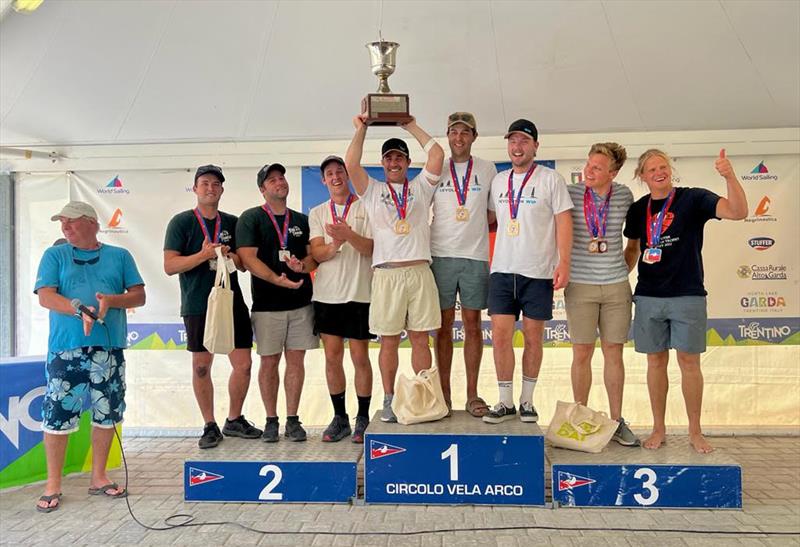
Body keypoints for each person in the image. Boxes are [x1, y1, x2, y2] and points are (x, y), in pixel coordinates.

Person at [624, 148, 747, 453]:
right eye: (651, 169)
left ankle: (695, 431)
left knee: (689, 362)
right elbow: (632, 250)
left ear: (671, 170)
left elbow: (738, 211)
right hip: (649, 296)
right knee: (655, 362)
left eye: (662, 166)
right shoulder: (639, 209)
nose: (658, 172)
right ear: (642, 176)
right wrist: (615, 280)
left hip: (688, 294)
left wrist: (729, 175)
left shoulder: (693, 199)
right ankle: (658, 429)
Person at [34, 201, 146, 512]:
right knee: (57, 415)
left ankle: (99, 477)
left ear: (92, 223)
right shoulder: (54, 255)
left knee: (107, 412)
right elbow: (45, 296)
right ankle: (53, 484)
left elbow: (139, 294)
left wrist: (111, 300)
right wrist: (77, 308)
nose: (65, 228)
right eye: (62, 223)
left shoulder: (119, 256)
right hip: (65, 349)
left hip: (108, 349)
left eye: (71, 222)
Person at [345, 115, 445, 423]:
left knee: (419, 338)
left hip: (419, 272)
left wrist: (410, 125)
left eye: (399, 157)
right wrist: (361, 127)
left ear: (407, 161)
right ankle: (389, 399)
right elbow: (351, 164)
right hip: (387, 274)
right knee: (388, 340)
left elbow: (437, 154)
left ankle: (423, 396)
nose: (394, 162)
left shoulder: (421, 188)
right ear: (383, 163)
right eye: (389, 157)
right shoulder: (373, 191)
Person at [163, 165, 262, 449]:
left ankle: (234, 419)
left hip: (231, 302)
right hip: (197, 303)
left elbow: (244, 264)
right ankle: (209, 424)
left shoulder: (233, 222)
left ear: (221, 190)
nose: (210, 188)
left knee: (243, 365)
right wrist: (203, 254)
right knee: (201, 367)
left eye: (215, 183)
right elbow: (170, 266)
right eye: (204, 183)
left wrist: (231, 255)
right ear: (195, 189)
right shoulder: (181, 222)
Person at [484, 119, 573, 424]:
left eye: (524, 141)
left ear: (536, 146)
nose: (517, 147)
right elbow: (491, 220)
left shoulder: (551, 179)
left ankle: (527, 401)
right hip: (502, 271)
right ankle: (505, 400)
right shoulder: (498, 180)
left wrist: (564, 262)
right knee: (500, 337)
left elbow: (563, 222)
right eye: (512, 141)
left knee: (534, 338)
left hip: (538, 272)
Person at [237, 163, 318, 442]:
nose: (279, 182)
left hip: (300, 304)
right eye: (272, 180)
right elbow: (247, 258)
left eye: (281, 177)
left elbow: (312, 258)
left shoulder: (301, 220)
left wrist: (301, 266)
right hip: (267, 306)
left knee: (296, 362)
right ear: (263, 189)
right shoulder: (251, 218)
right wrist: (276, 279)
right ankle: (271, 419)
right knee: (269, 363)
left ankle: (292, 420)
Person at [565, 144, 638, 446]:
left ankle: (617, 421)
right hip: (579, 285)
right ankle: (580, 416)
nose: (589, 171)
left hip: (616, 286)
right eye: (588, 164)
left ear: (613, 172)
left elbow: (633, 243)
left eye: (597, 167)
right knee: (581, 353)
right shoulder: (570, 194)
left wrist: (619, 271)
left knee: (614, 353)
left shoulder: (624, 196)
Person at [430, 112, 497, 417]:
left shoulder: (487, 168)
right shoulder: (436, 168)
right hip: (440, 256)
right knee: (442, 328)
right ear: (447, 135)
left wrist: (472, 230)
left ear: (474, 136)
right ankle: (443, 395)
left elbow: (494, 215)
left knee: (473, 326)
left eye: (465, 133)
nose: (459, 138)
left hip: (474, 257)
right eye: (454, 132)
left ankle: (472, 394)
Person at [309, 155, 375, 443]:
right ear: (323, 180)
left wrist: (348, 235)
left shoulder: (366, 206)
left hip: (361, 293)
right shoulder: (317, 213)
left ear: (348, 175)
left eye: (340, 172)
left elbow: (371, 248)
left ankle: (363, 417)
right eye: (330, 174)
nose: (335, 177)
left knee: (360, 357)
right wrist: (335, 242)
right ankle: (340, 418)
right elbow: (317, 254)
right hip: (327, 296)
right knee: (332, 358)